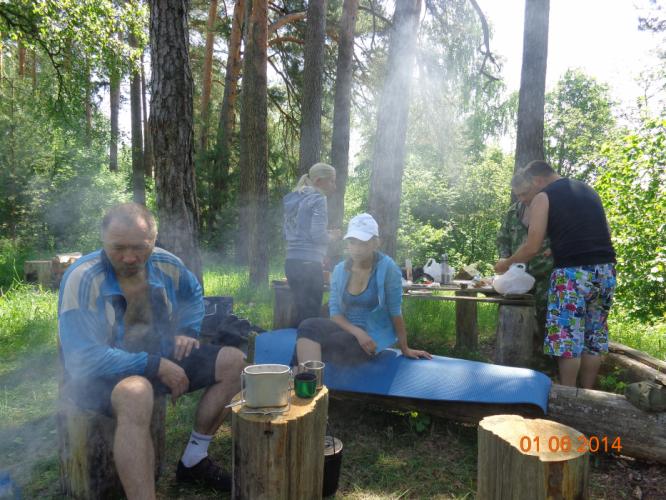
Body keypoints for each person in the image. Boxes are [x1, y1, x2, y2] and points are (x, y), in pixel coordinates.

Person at [58, 203, 245, 499]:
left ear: (153, 240)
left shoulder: (166, 263)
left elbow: (193, 294)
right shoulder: (83, 278)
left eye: (139, 247)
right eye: (118, 248)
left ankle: (194, 459)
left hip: (157, 356)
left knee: (233, 362)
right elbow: (82, 359)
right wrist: (155, 365)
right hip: (97, 375)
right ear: (103, 240)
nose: (129, 257)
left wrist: (187, 330)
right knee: (136, 393)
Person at [494, 161, 616, 388]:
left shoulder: (544, 196)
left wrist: (506, 263)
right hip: (605, 270)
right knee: (593, 339)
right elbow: (605, 232)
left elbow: (532, 247)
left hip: (572, 274)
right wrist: (560, 246)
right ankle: (588, 396)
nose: (529, 195)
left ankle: (568, 397)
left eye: (530, 188)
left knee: (567, 341)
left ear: (537, 180)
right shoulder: (587, 190)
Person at [296, 213, 431, 364]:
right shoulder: (340, 270)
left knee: (331, 343)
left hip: (372, 337)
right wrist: (358, 332)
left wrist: (405, 348)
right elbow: (335, 313)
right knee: (308, 326)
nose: (357, 249)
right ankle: (306, 377)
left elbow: (395, 311)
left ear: (375, 243)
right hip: (347, 329)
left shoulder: (388, 268)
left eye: (363, 243)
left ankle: (305, 373)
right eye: (352, 242)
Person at [283, 162, 341, 327]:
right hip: (308, 266)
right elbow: (318, 236)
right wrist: (333, 236)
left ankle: (296, 343)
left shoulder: (294, 198)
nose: (334, 186)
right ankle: (306, 344)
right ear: (318, 181)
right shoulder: (318, 198)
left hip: (291, 263)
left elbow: (292, 233)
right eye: (331, 181)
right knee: (310, 317)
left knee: (300, 313)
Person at [496, 199, 553, 361]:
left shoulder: (549, 206)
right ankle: (518, 358)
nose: (522, 197)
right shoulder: (513, 212)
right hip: (517, 277)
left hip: (546, 274)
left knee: (547, 317)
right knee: (515, 315)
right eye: (519, 194)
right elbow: (503, 239)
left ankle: (547, 363)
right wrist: (505, 261)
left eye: (525, 192)